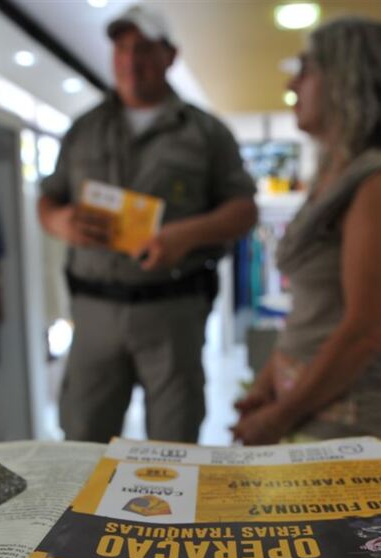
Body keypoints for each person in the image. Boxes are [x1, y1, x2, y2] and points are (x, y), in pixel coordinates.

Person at [40, 5, 258, 443]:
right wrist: (60, 221)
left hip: (173, 312)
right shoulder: (83, 130)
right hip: (94, 315)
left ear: (170, 56)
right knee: (83, 440)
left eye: (142, 48)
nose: (129, 59)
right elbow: (49, 199)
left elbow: (244, 209)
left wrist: (186, 235)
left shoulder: (206, 133)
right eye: (120, 48)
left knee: (174, 447)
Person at [232, 17, 381, 463]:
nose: (291, 84)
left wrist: (278, 416)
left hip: (352, 433)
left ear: (346, 78)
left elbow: (365, 331)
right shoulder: (335, 174)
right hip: (311, 424)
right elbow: (313, 312)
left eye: (305, 70)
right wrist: (267, 386)